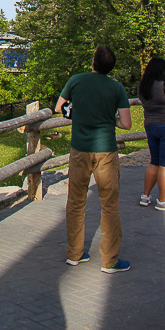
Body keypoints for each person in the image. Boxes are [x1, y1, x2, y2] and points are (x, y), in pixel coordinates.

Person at [55, 45, 132, 273]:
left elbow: (60, 107)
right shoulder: (117, 88)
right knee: (109, 204)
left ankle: (74, 253)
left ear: (93, 62)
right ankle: (109, 260)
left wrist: (80, 114)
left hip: (79, 148)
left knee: (76, 201)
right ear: (111, 67)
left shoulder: (76, 81)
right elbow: (126, 123)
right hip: (106, 150)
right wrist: (111, 119)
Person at [137, 57, 165, 209]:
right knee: (164, 164)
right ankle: (162, 200)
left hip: (150, 125)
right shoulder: (163, 85)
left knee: (154, 161)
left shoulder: (143, 86)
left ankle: (145, 196)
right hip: (164, 124)